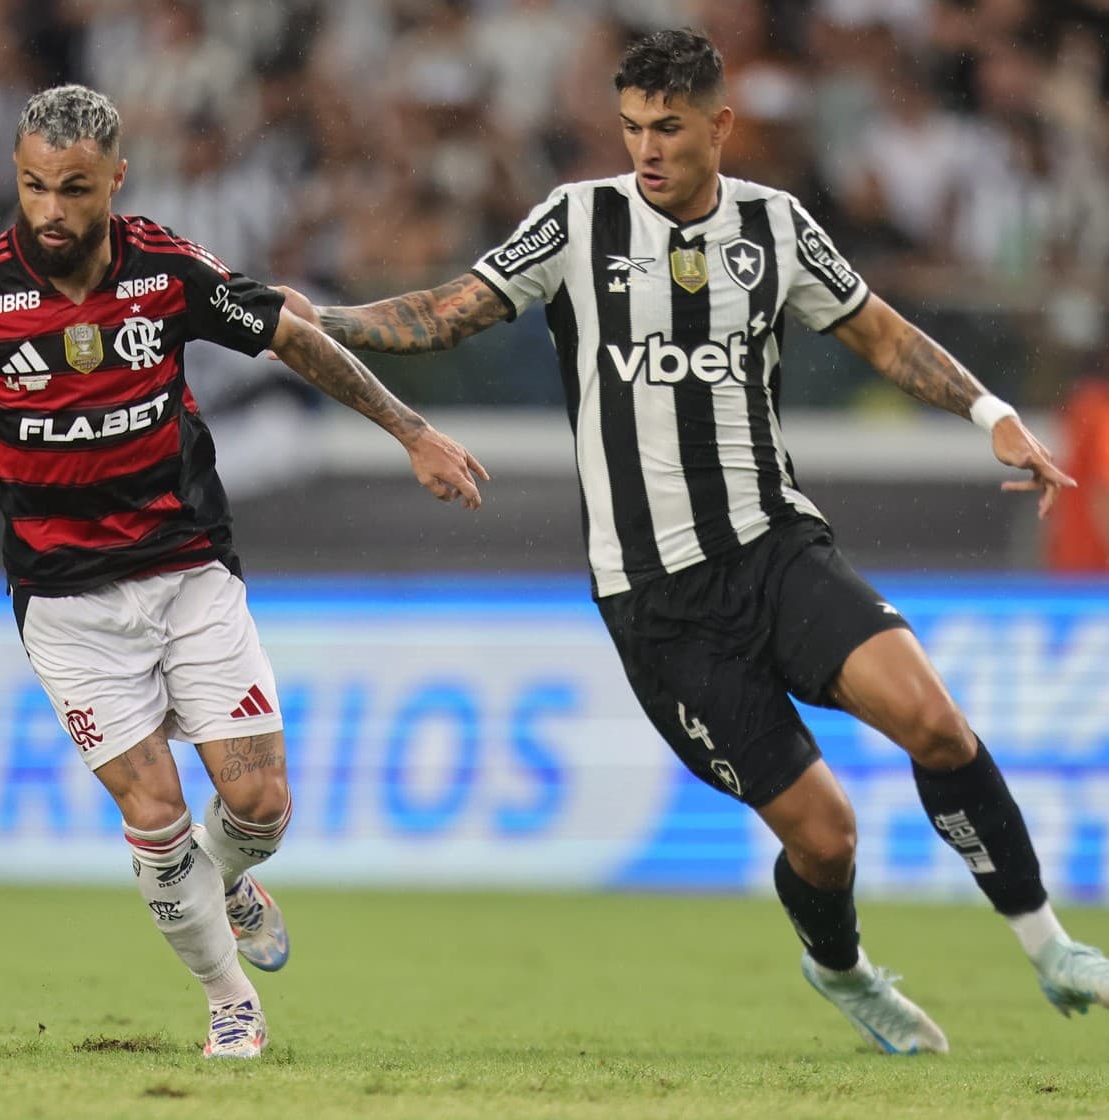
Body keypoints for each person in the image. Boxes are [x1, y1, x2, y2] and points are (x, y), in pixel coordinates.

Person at [283, 28, 1104, 1055]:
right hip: (657, 605)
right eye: (629, 127)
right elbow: (449, 312)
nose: (645, 149)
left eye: (665, 127)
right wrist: (326, 320)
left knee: (932, 722)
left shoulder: (774, 225)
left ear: (717, 124)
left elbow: (880, 332)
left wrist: (990, 413)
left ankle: (1047, 945)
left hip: (772, 547)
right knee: (827, 835)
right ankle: (840, 967)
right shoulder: (577, 221)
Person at [0, 85, 488, 1060]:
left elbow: (288, 333)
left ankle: (228, 877)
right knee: (153, 814)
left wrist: (411, 432)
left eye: (73, 188)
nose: (51, 210)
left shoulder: (165, 271)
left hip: (189, 571)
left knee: (259, 805)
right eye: (33, 187)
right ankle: (228, 999)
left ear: (114, 178)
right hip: (65, 602)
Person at [1047, 362, 1109, 572]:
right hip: (1097, 568)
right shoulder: (1101, 415)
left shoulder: (1076, 414)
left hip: (1070, 561)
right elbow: (1103, 492)